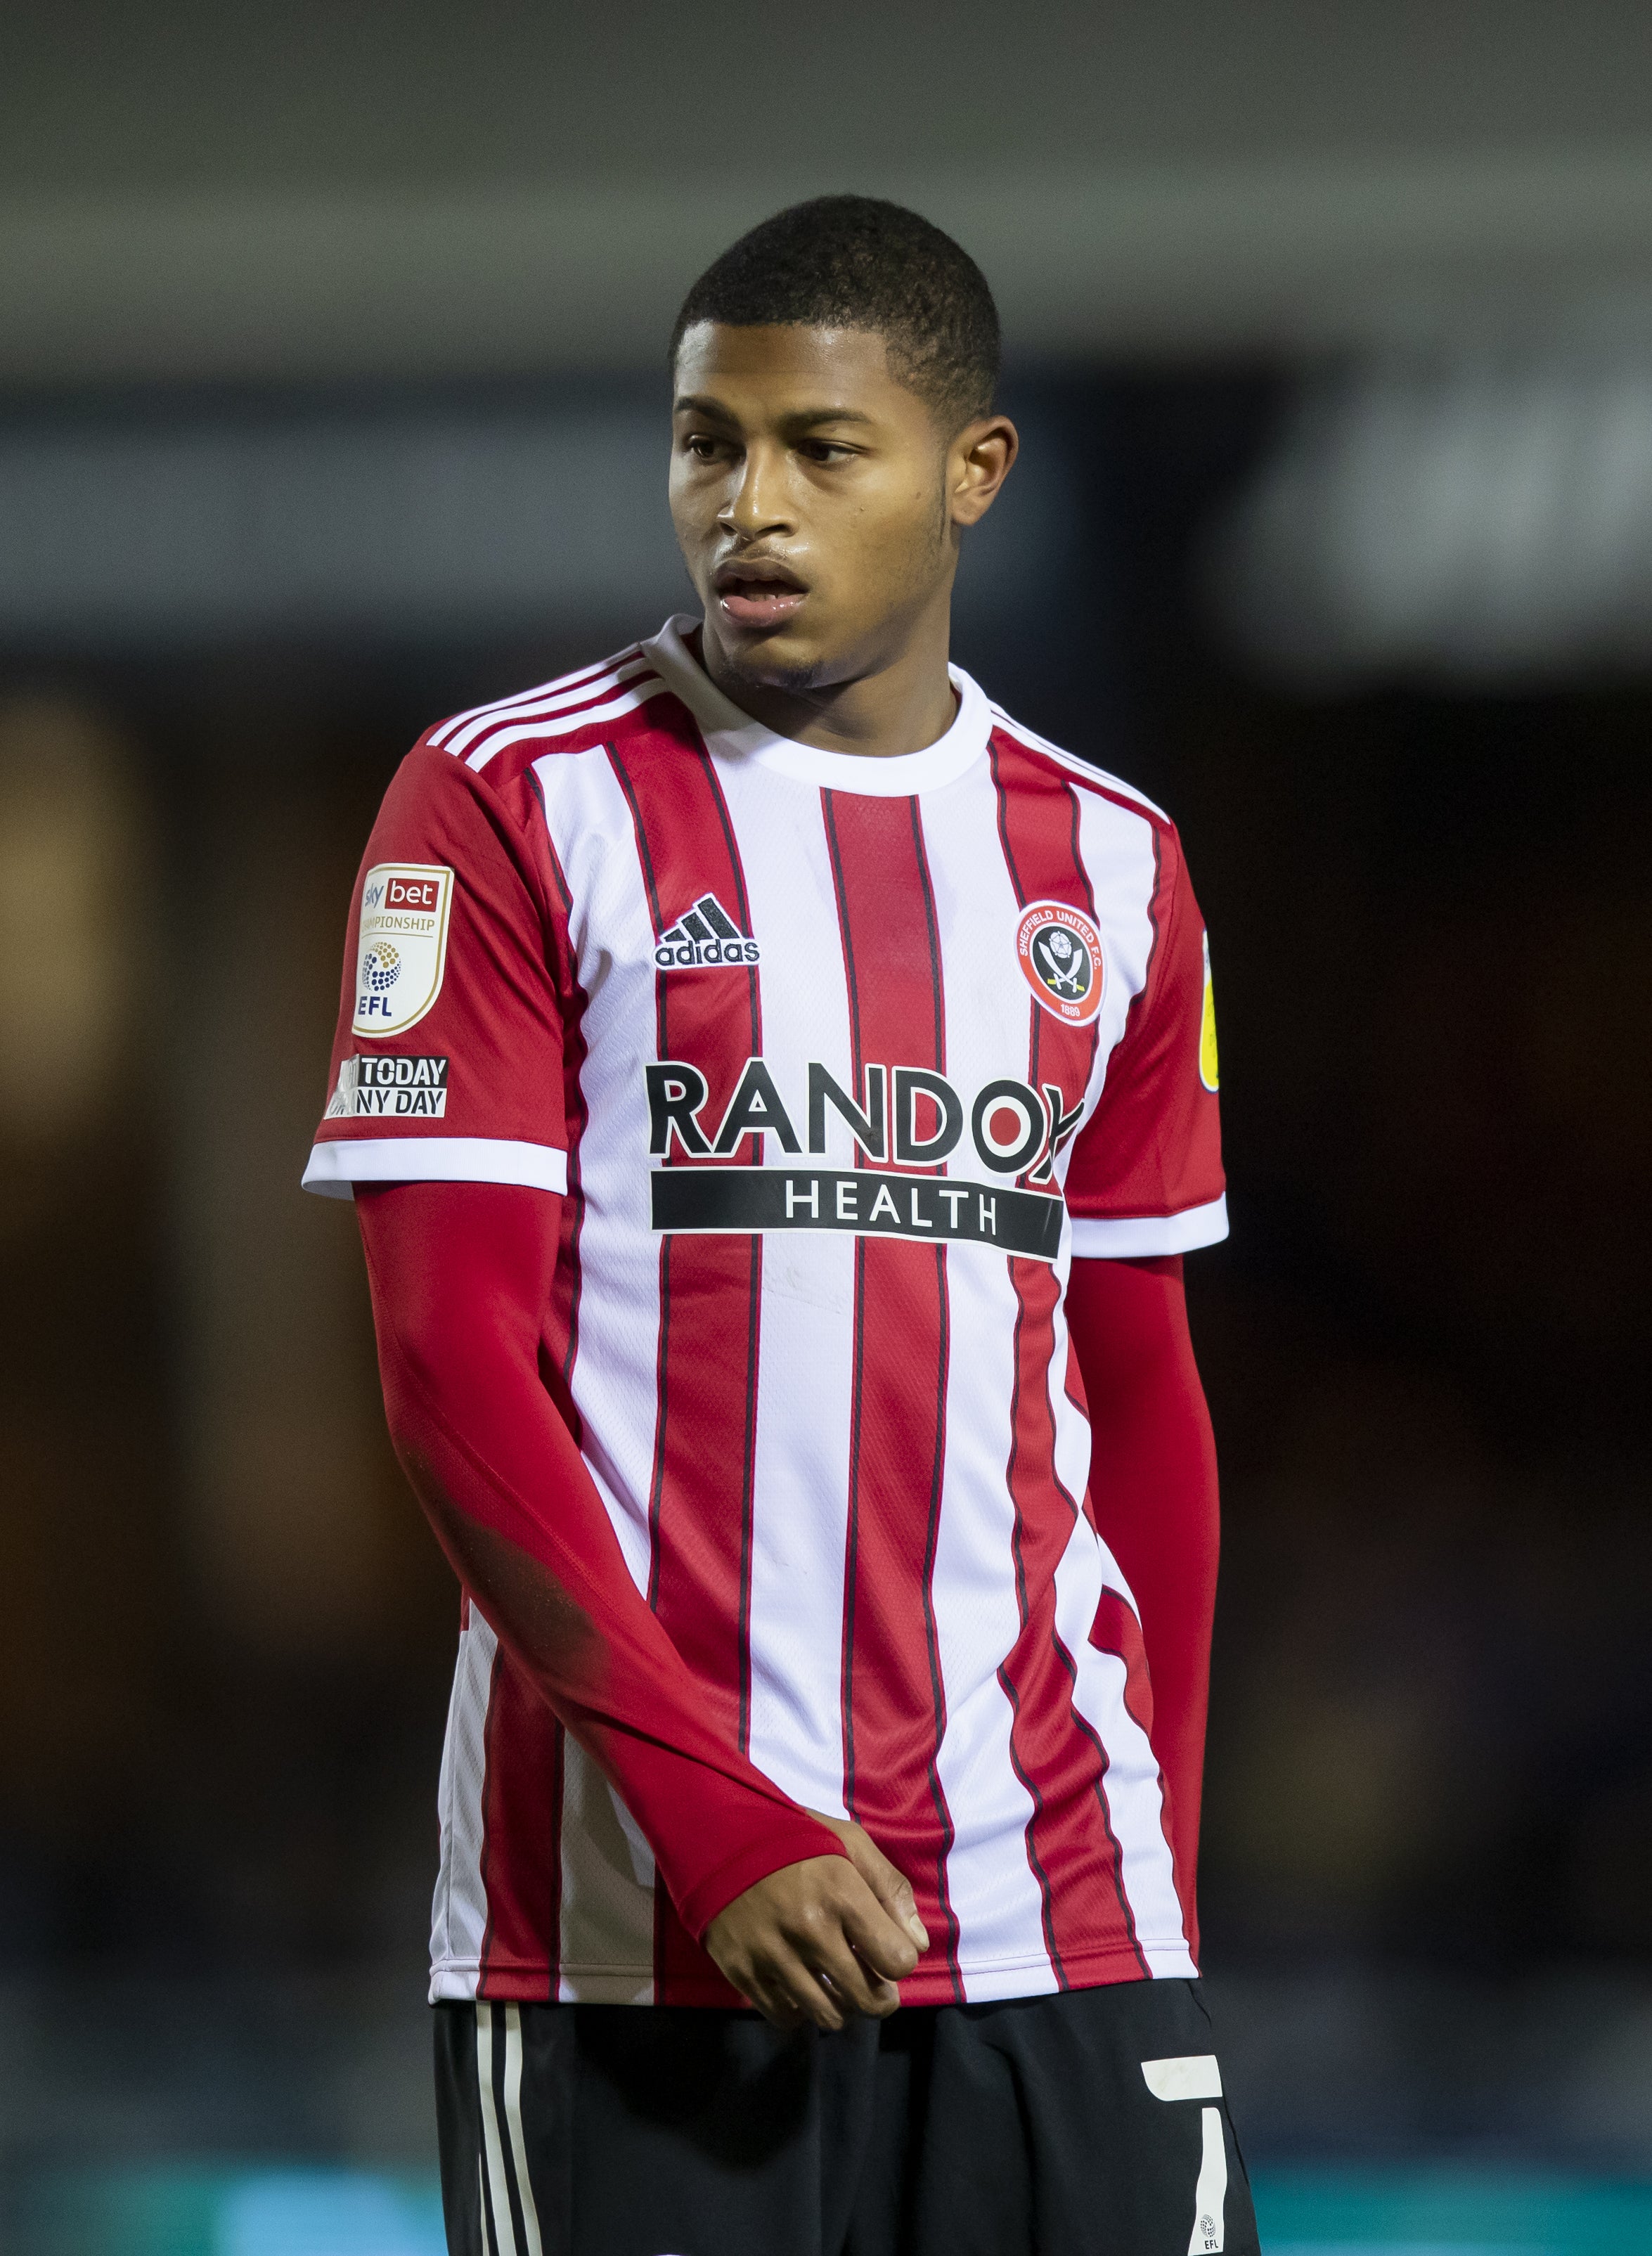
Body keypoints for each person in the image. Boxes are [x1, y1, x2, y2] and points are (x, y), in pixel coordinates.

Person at [304, 194, 1257, 2256]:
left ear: (970, 474)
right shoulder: (503, 804)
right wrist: (716, 1813)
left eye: (823, 449)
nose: (748, 503)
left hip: (1059, 1931)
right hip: (635, 1934)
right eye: (704, 442)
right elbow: (456, 1377)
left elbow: (1141, 1402)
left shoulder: (1115, 862)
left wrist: (1147, 1871)